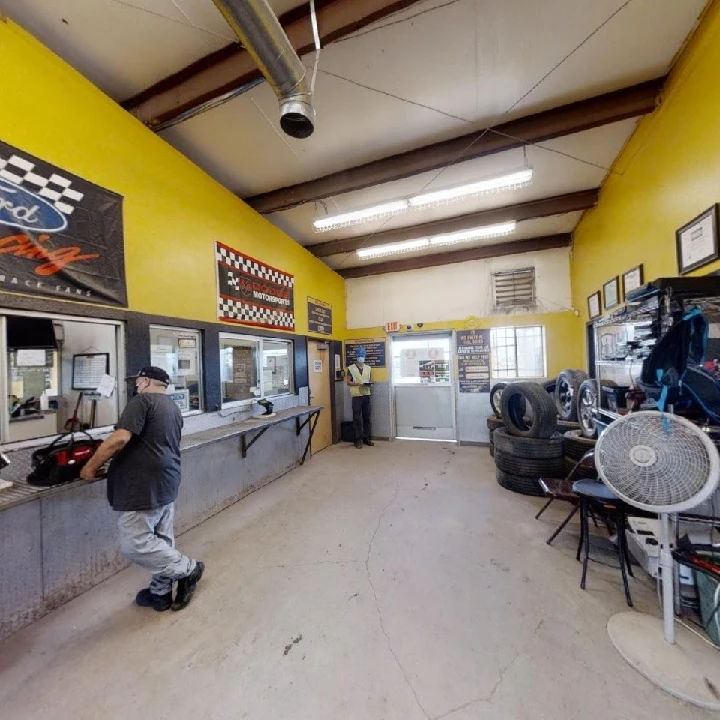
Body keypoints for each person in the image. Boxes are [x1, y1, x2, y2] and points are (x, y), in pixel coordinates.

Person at [80, 366, 204, 612]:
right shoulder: (172, 407)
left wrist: (90, 467)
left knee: (135, 543)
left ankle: (188, 569)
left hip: (143, 485)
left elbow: (120, 439)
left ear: (146, 381)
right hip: (167, 478)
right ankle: (160, 593)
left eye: (137, 382)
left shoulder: (142, 401)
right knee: (161, 538)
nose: (135, 386)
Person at [346, 347, 374, 450]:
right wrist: (357, 383)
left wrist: (370, 383)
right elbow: (348, 382)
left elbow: (371, 379)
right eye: (359, 356)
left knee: (367, 417)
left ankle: (367, 438)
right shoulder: (351, 368)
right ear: (356, 357)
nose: (361, 358)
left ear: (365, 357)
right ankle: (357, 440)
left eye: (363, 356)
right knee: (357, 418)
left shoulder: (368, 368)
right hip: (356, 396)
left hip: (366, 395)